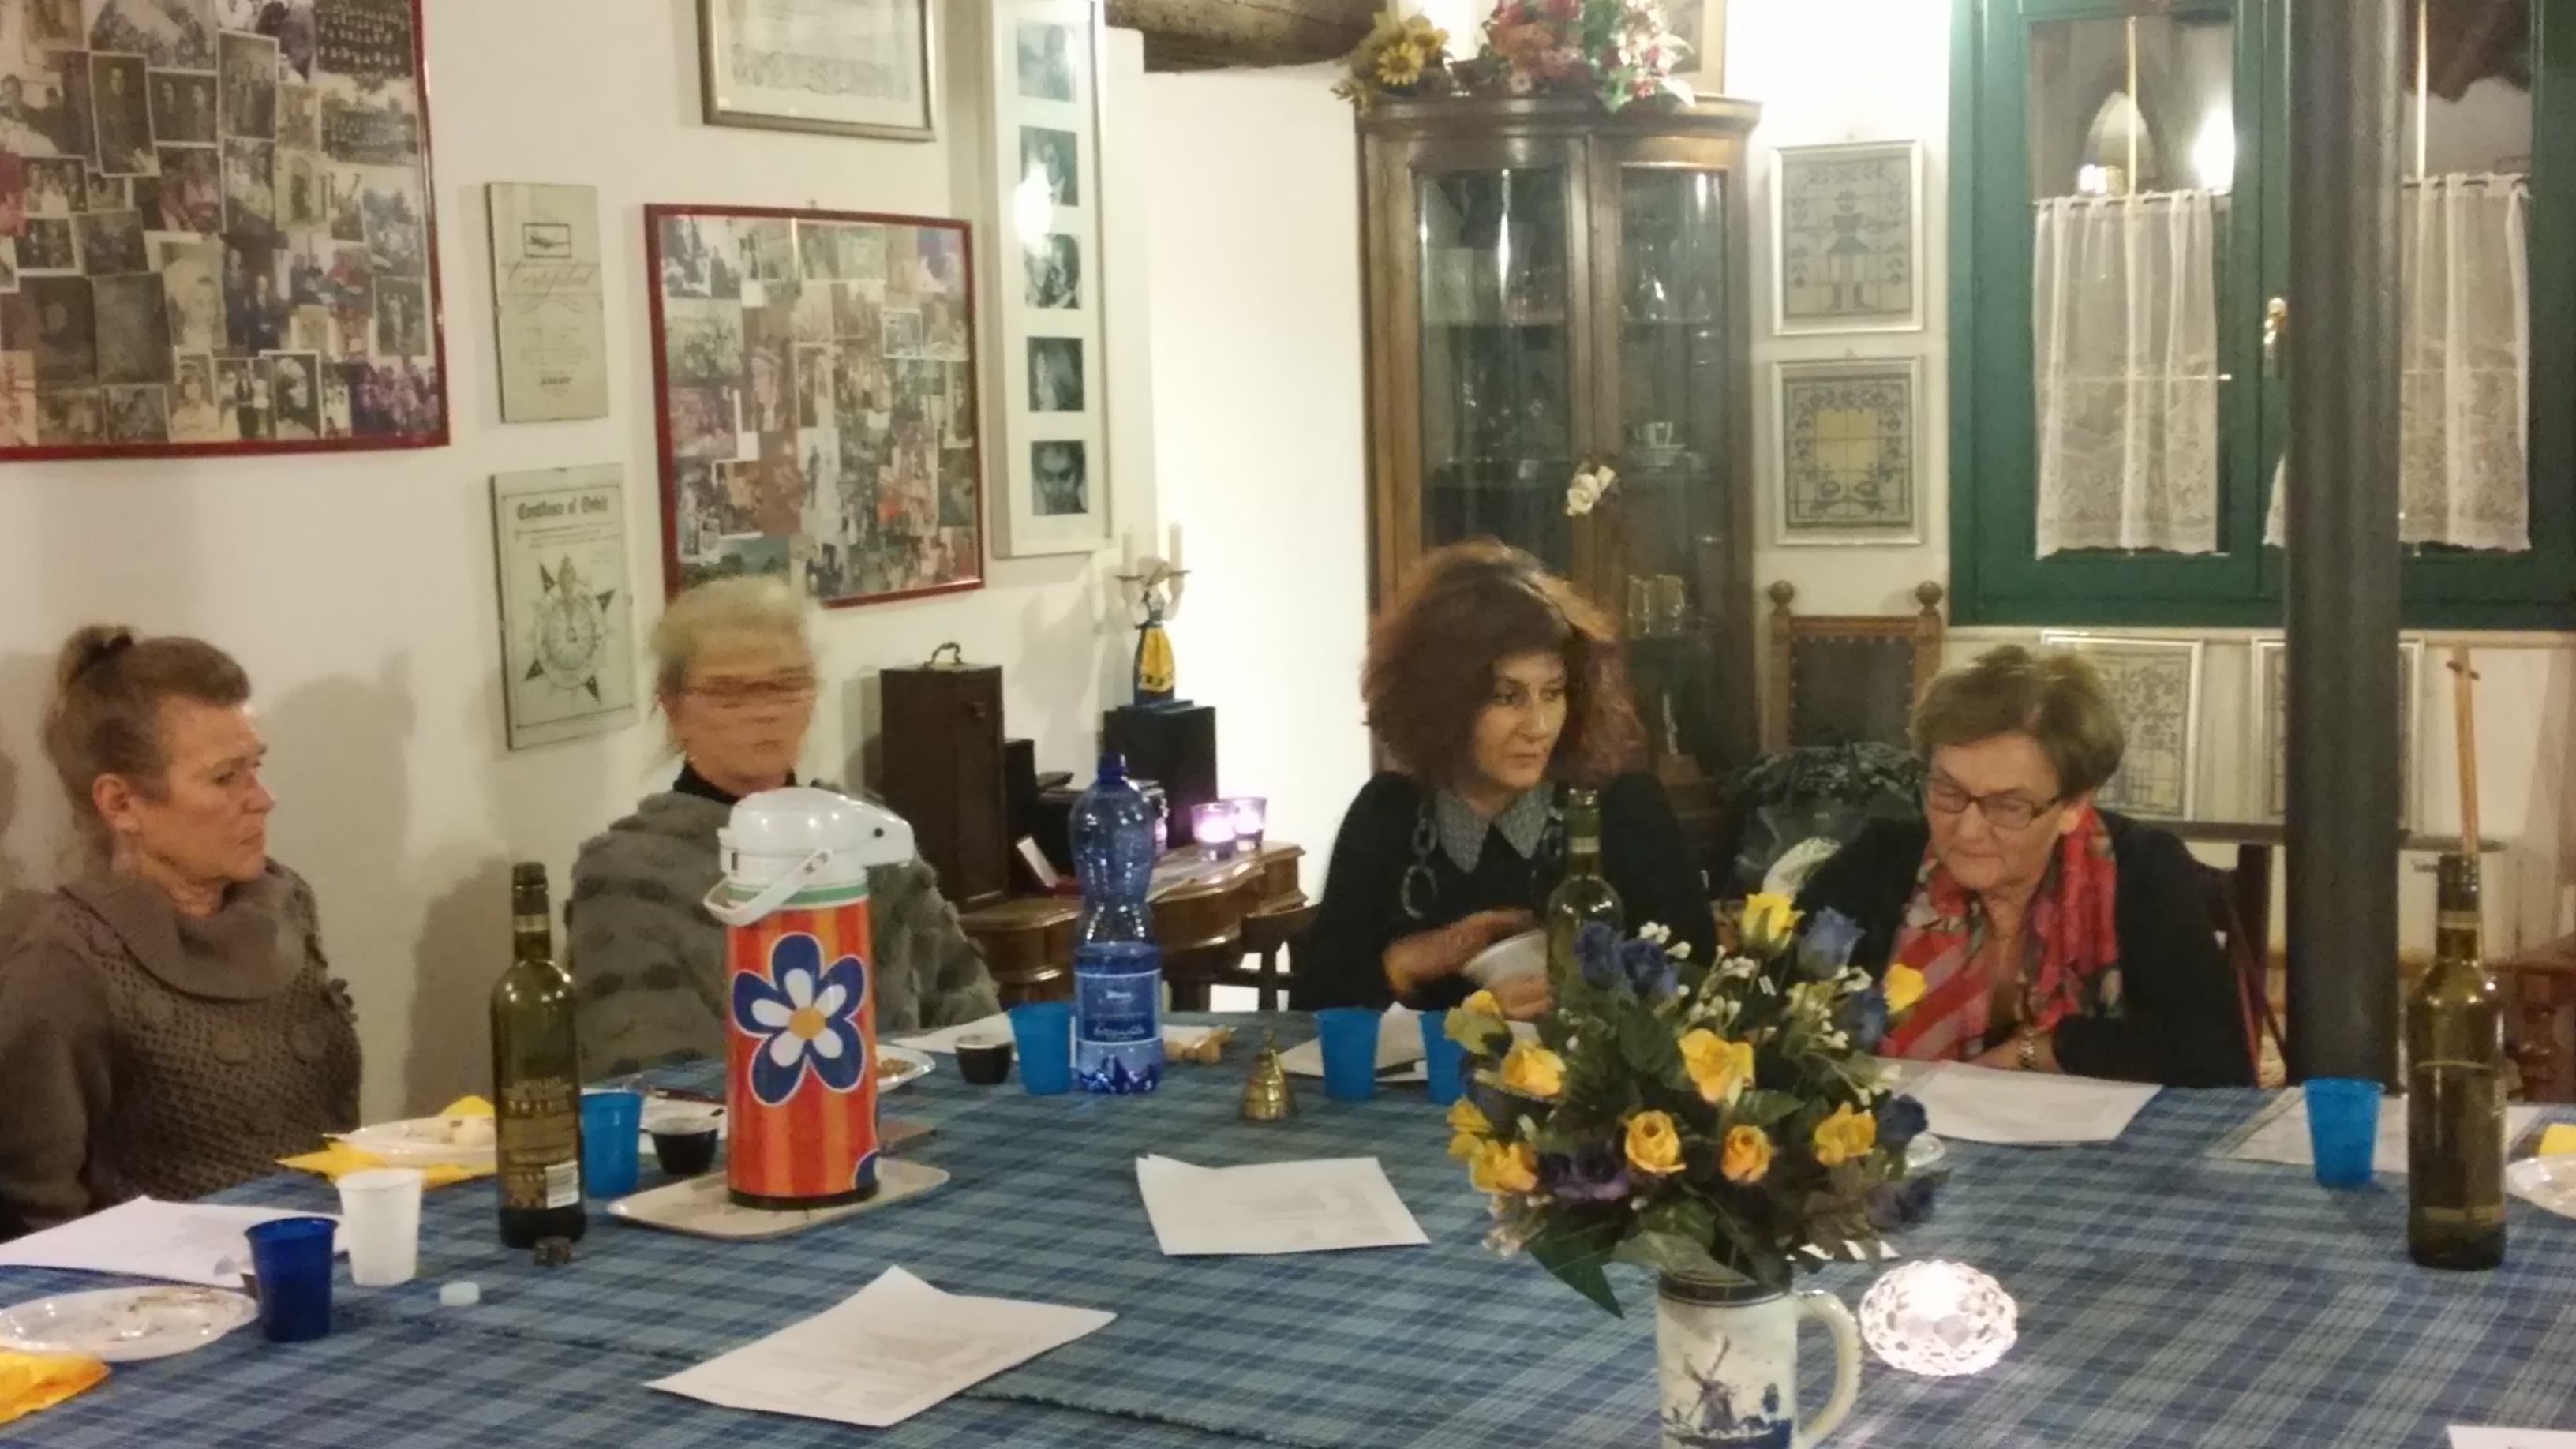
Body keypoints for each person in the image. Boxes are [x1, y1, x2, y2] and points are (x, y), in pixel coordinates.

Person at [0, 627, 361, 1235]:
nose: (262, 799)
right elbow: (36, 1212)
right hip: (157, 1286)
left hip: (323, 1250)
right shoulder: (67, 955)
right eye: (224, 778)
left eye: (255, 767)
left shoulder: (287, 903)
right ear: (121, 804)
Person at [567, 576, 999, 1078]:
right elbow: (647, 1076)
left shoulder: (868, 836)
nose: (765, 711)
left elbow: (971, 1009)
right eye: (729, 692)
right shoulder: (627, 873)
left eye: (787, 684)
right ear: (674, 707)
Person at [1795, 645, 2252, 1087]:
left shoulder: (2142, 869)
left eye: (2008, 805)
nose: (1967, 829)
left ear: (2073, 805)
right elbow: (1774, 1011)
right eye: (1949, 791)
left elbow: (2217, 1061)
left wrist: (2049, 1049)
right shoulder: (1880, 861)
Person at [1297, 541, 1716, 1019]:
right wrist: (1406, 963)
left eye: (1552, 693)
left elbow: (1696, 989)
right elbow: (1312, 1014)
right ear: (1441, 702)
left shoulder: (1624, 809)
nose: (1538, 726)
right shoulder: (1387, 816)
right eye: (1507, 697)